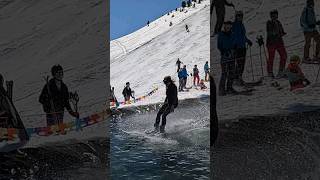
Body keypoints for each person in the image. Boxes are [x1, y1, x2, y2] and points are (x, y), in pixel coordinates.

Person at [232, 11, 253, 85]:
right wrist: (233, 44)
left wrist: (248, 41)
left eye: (241, 16)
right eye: (239, 16)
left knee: (242, 63)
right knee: (239, 63)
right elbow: (233, 36)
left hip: (243, 46)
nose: (240, 17)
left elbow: (243, 36)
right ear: (236, 16)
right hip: (237, 47)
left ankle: (239, 77)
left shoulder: (242, 25)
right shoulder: (234, 25)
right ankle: (236, 79)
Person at [266, 9, 288, 79]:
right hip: (271, 43)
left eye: (275, 15)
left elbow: (280, 30)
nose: (274, 16)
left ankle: (281, 71)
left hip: (279, 42)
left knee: (284, 55)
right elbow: (270, 32)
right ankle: (270, 72)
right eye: (273, 15)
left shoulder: (278, 22)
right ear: (271, 16)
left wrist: (282, 33)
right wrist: (277, 33)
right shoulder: (269, 22)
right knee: (271, 58)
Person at [217, 21, 237, 96]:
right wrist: (224, 51)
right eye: (226, 26)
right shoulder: (221, 35)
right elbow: (219, 45)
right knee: (224, 73)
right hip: (225, 56)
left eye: (229, 26)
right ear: (224, 27)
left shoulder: (232, 34)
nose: (228, 28)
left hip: (232, 55)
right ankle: (221, 90)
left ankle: (229, 88)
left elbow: (234, 43)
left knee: (232, 72)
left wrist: (234, 49)